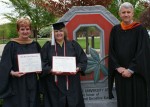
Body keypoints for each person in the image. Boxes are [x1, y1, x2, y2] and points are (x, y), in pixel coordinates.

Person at [108, 2, 150, 107]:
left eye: (128, 12)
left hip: (136, 74)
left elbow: (143, 52)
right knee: (123, 101)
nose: (126, 14)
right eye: (123, 12)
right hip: (121, 74)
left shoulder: (140, 30)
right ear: (119, 14)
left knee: (138, 101)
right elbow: (111, 51)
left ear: (132, 13)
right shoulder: (115, 30)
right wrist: (117, 67)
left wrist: (131, 70)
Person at [40, 22, 87, 107]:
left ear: (64, 32)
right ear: (53, 33)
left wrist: (78, 68)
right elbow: (42, 62)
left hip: (71, 83)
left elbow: (83, 60)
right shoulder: (47, 46)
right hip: (54, 84)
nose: (59, 33)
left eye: (61, 31)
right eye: (56, 31)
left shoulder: (73, 44)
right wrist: (51, 70)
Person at [0, 17, 41, 107]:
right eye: (22, 29)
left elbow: (41, 61)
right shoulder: (11, 45)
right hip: (17, 82)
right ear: (18, 30)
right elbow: (4, 65)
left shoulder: (35, 44)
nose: (25, 31)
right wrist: (12, 73)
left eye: (27, 29)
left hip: (32, 81)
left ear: (30, 30)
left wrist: (40, 69)